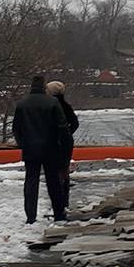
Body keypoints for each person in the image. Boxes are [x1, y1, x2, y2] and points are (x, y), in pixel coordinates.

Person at [11, 73, 71, 224]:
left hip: (30, 149)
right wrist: (64, 148)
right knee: (53, 182)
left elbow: (16, 128)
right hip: (50, 149)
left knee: (31, 182)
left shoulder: (22, 104)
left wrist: (22, 143)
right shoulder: (52, 103)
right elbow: (63, 127)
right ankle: (59, 213)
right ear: (44, 87)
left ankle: (30, 216)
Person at [47, 79, 79, 212]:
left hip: (52, 143)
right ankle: (64, 200)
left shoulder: (49, 106)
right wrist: (67, 135)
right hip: (66, 144)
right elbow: (75, 123)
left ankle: (57, 201)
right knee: (64, 171)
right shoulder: (66, 106)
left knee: (53, 172)